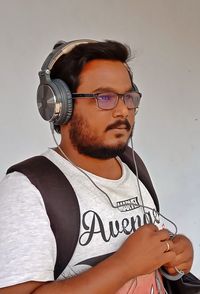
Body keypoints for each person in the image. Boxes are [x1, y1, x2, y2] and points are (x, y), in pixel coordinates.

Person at [0, 39, 193, 293]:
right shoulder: (28, 189)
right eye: (105, 97)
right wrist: (124, 266)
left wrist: (176, 254)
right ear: (60, 107)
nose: (123, 110)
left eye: (128, 97)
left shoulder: (132, 165)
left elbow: (150, 260)